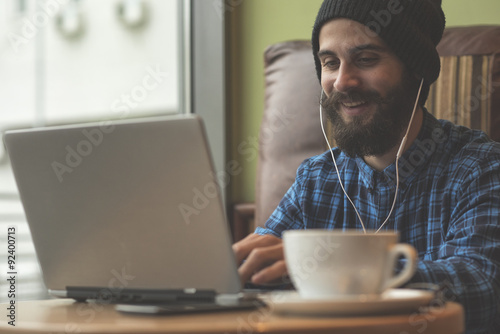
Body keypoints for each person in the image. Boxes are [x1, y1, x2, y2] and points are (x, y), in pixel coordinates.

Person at [232, 0, 500, 333]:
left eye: (366, 59)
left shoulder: (480, 166)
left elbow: (483, 286)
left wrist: (339, 270)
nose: (342, 82)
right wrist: (234, 271)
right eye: (330, 63)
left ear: (417, 71)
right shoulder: (316, 179)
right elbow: (261, 273)